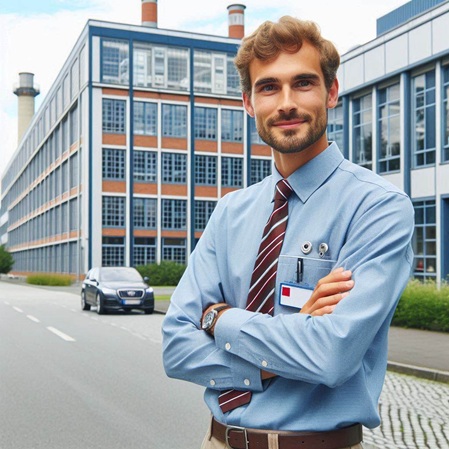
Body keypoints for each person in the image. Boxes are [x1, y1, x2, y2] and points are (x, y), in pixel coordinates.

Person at [162, 15, 414, 449]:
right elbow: (176, 347)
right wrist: (274, 354)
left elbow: (329, 355)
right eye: (268, 87)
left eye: (303, 83)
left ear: (331, 92)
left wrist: (219, 318)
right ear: (248, 102)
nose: (286, 103)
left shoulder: (378, 207)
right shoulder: (230, 212)